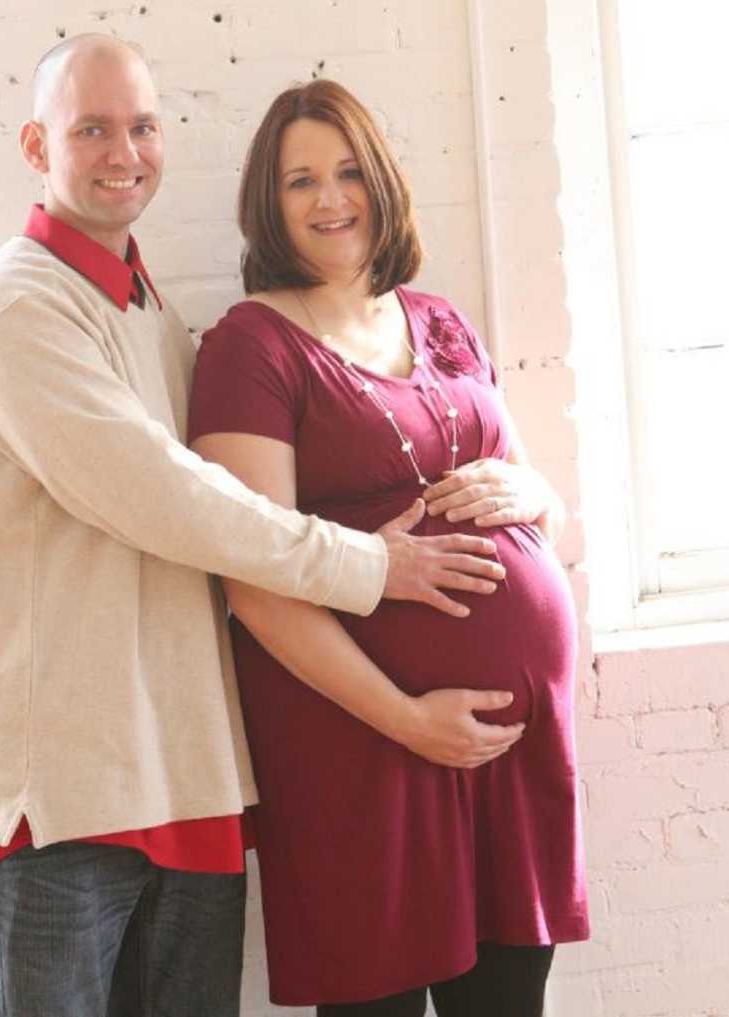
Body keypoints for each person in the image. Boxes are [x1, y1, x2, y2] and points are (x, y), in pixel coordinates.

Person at [0, 36, 514, 1017]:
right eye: (92, 130)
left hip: (185, 776)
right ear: (36, 146)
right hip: (65, 798)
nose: (126, 151)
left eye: (144, 126)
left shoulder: (152, 315)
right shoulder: (13, 308)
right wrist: (371, 566)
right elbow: (169, 498)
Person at [188, 79, 590, 1017]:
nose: (330, 200)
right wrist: (410, 717)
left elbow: (543, 508)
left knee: (509, 1003)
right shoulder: (251, 347)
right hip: (362, 738)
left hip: (507, 749)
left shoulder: (441, 320)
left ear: (381, 181)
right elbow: (255, 581)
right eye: (300, 181)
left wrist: (538, 495)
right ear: (268, 203)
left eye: (346, 171)